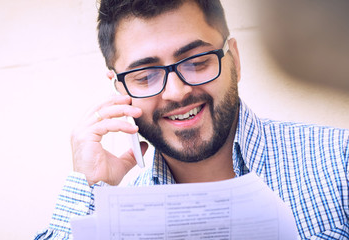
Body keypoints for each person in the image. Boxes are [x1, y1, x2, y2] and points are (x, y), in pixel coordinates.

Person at [35, 0, 349, 239]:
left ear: (234, 60)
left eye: (197, 62)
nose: (176, 91)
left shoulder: (340, 161)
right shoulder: (113, 216)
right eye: (145, 76)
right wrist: (90, 189)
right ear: (119, 89)